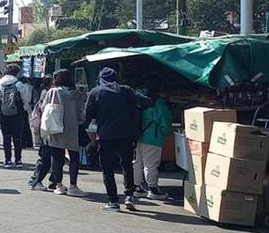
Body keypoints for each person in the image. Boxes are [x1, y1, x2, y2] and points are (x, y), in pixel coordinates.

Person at [84, 67, 153, 212]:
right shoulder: (126, 91)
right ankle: (129, 196)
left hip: (106, 136)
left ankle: (113, 201)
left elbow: (87, 114)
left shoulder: (96, 92)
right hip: (126, 135)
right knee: (127, 165)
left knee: (107, 169)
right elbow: (146, 102)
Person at [44, 69, 87, 196]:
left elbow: (44, 107)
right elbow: (81, 113)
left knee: (57, 156)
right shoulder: (76, 93)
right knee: (74, 157)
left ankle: (59, 185)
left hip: (56, 127)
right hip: (73, 128)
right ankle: (73, 186)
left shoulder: (53, 92)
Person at [133, 80, 173, 200]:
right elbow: (164, 121)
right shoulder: (156, 102)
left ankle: (136, 187)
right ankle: (153, 189)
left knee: (137, 162)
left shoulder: (136, 98)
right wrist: (167, 132)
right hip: (152, 136)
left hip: (136, 136)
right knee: (150, 165)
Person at [0, 64, 31, 169]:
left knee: (6, 137)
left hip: (3, 114)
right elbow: (26, 99)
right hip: (18, 114)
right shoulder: (19, 84)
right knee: (17, 137)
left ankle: (7, 160)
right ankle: (18, 160)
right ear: (17, 73)